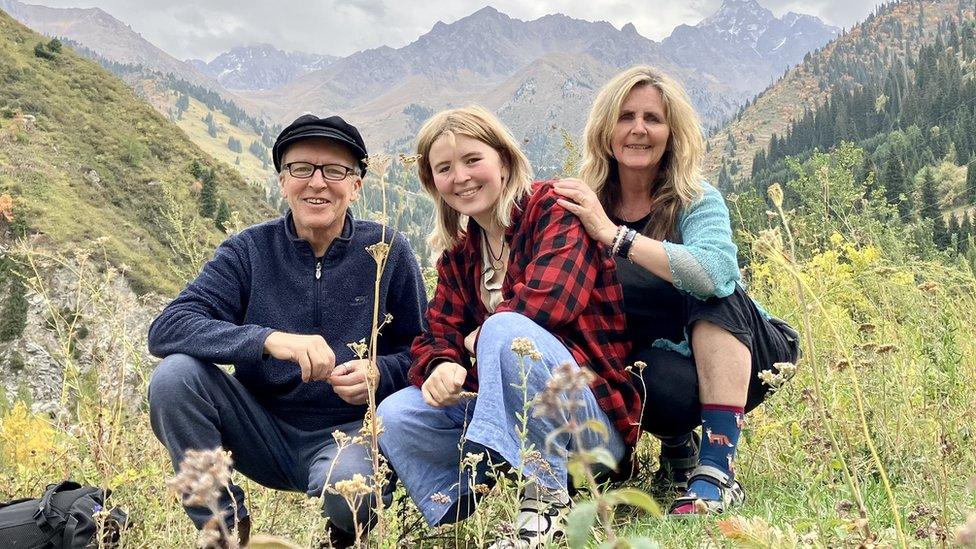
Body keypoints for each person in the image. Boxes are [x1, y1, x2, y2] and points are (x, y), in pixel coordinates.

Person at [147, 114, 428, 547]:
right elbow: (168, 328)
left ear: (356, 185)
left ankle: (341, 536)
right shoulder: (248, 251)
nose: (317, 183)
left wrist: (379, 373)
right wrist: (268, 340)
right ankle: (223, 532)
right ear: (283, 181)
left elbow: (422, 351)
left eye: (335, 170)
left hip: (349, 435)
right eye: (301, 169)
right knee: (174, 376)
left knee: (352, 492)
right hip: (259, 429)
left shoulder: (387, 251)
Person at [376, 106, 640, 547]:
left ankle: (547, 505)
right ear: (433, 183)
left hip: (591, 429)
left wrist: (482, 337)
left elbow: (552, 302)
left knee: (504, 329)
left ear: (504, 158)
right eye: (444, 168)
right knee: (396, 414)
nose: (460, 177)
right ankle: (467, 499)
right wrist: (443, 362)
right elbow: (434, 333)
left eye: (472, 159)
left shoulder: (554, 209)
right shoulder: (461, 256)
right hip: (517, 422)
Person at [553, 65, 801, 515]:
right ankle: (676, 445)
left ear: (672, 132)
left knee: (714, 291)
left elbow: (716, 272)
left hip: (749, 350)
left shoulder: (694, 198)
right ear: (605, 129)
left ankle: (717, 470)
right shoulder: (584, 203)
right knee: (624, 369)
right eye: (626, 116)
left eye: (653, 118)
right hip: (659, 364)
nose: (639, 129)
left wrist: (616, 236)